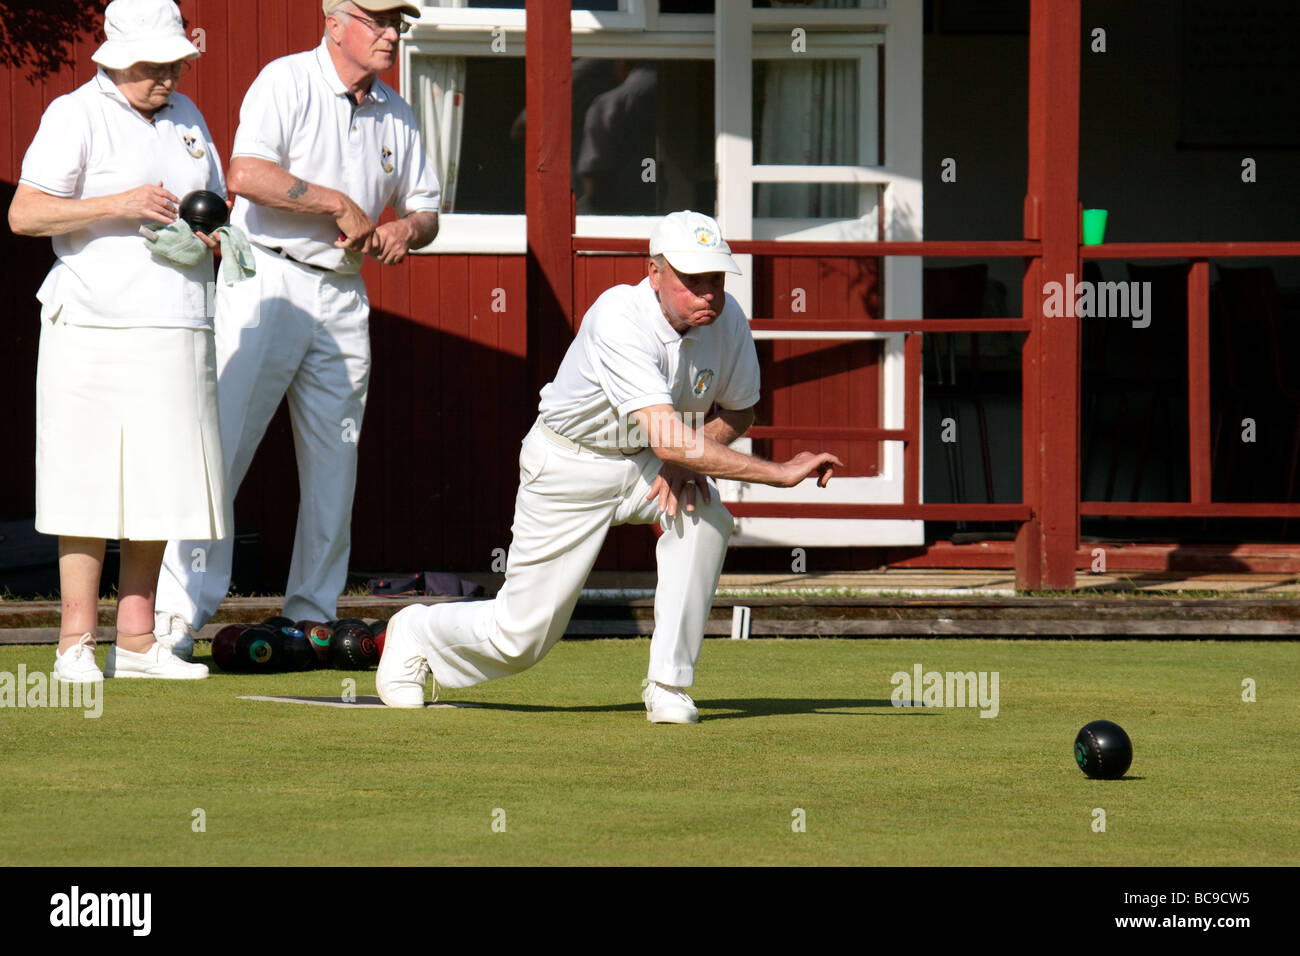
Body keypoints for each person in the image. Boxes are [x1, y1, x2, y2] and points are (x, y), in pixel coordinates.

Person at [378, 210, 843, 722]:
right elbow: (670, 438)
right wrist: (776, 472)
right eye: (693, 281)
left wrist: (691, 458)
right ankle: (415, 630)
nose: (709, 294)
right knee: (521, 638)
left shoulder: (728, 318)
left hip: (647, 461)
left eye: (716, 278)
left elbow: (738, 410)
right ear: (655, 273)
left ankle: (669, 685)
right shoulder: (618, 315)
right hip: (568, 464)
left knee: (706, 516)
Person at [154, 0, 442, 658]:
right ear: (335, 22)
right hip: (268, 282)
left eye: (399, 21)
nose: (392, 34)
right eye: (378, 20)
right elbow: (246, 174)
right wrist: (338, 201)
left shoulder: (396, 111)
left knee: (335, 467)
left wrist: (404, 229)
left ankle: (309, 618)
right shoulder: (286, 81)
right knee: (219, 453)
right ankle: (177, 620)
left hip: (343, 292)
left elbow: (426, 209)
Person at [7, 0, 223, 681]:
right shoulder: (75, 114)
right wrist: (117, 204)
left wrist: (213, 238)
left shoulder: (189, 119)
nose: (167, 77)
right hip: (94, 320)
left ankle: (134, 642)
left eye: (174, 64)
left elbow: (211, 202)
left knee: (158, 481)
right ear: (118, 59)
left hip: (177, 317)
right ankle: (75, 642)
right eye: (155, 66)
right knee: (89, 479)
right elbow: (25, 213)